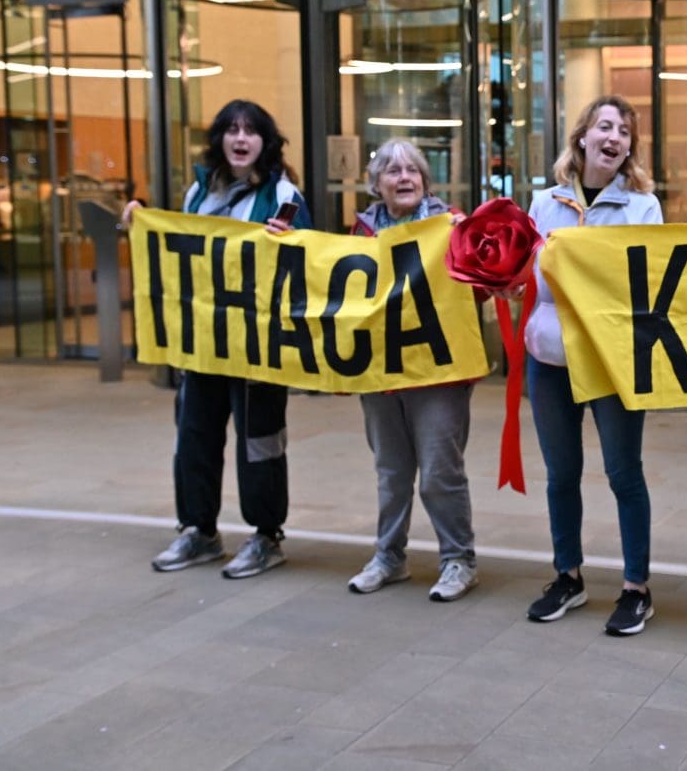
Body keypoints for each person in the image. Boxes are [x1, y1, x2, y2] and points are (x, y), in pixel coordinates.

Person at [127, 99, 312, 579]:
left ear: (265, 141)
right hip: (203, 344)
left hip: (257, 350)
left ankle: (266, 536)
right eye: (232, 129)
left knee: (260, 445)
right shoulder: (197, 192)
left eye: (251, 130)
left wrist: (290, 239)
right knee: (194, 439)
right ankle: (198, 532)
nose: (241, 138)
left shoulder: (284, 194)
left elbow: (309, 260)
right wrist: (143, 223)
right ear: (219, 139)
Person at [523, 94, 663, 635]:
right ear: (581, 137)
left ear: (629, 148)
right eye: (605, 126)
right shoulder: (545, 203)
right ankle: (568, 576)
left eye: (625, 131)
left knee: (624, 473)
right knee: (561, 475)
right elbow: (531, 276)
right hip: (549, 358)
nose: (615, 137)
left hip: (610, 362)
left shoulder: (642, 207)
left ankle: (636, 587)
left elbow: (648, 282)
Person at [345, 138, 479, 603]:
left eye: (413, 171)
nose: (404, 178)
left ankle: (457, 558)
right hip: (383, 374)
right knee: (391, 470)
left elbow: (476, 291)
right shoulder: (360, 236)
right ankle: (389, 556)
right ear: (375, 185)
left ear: (425, 182)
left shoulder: (450, 226)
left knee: (441, 470)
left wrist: (469, 244)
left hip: (439, 373)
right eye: (392, 171)